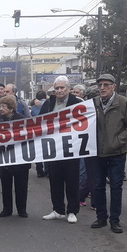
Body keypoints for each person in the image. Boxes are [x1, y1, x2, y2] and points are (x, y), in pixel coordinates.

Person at [90, 74, 127, 234]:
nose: (102, 88)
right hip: (97, 152)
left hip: (116, 153)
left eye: (106, 85)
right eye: (100, 85)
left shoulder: (123, 103)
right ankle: (101, 217)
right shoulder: (93, 103)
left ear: (113, 87)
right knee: (98, 186)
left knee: (116, 187)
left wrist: (119, 140)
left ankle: (115, 220)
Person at [40, 76, 82, 224]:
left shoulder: (77, 103)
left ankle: (72, 210)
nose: (59, 90)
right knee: (55, 180)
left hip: (72, 148)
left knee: (72, 180)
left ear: (68, 89)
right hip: (53, 148)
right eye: (56, 88)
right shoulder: (48, 103)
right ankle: (58, 210)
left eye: (62, 88)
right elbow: (40, 121)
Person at [0, 95, 30, 218]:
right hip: (5, 157)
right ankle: (7, 209)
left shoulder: (22, 120)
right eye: (0, 106)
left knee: (21, 185)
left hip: (20, 157)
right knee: (6, 185)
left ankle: (22, 209)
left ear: (11, 108)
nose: (1, 109)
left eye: (4, 106)